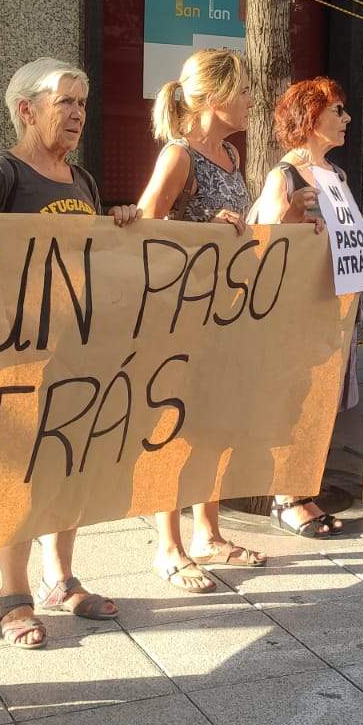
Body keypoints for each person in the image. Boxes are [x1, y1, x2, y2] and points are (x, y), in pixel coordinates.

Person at [0, 58, 138, 649]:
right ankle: (11, 594)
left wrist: (118, 219)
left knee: (70, 461)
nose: (77, 114)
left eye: (82, 104)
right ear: (26, 109)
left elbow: (92, 250)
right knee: (16, 471)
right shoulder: (0, 173)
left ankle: (62, 579)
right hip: (15, 355)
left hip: (77, 350)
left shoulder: (83, 181)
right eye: (64, 102)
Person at [136, 48, 267, 591]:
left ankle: (207, 533)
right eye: (242, 92)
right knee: (174, 428)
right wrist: (203, 228)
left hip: (223, 313)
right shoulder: (178, 155)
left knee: (213, 423)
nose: (250, 102)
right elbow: (145, 226)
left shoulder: (231, 156)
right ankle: (168, 545)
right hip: (179, 318)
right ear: (213, 97)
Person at [250, 77, 363, 537]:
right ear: (310, 118)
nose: (347, 119)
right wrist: (289, 215)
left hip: (332, 306)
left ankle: (304, 483)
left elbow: (333, 235)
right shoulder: (283, 176)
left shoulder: (335, 175)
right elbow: (261, 246)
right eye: (338, 111)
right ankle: (287, 496)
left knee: (321, 401)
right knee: (296, 400)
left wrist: (361, 232)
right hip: (294, 312)